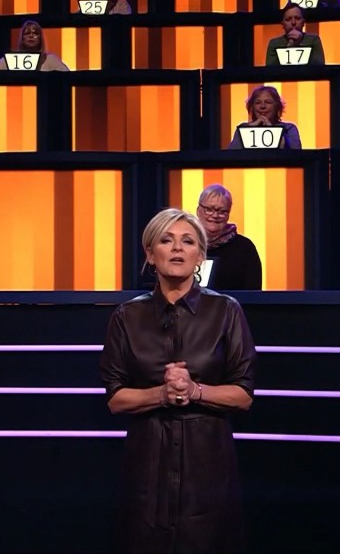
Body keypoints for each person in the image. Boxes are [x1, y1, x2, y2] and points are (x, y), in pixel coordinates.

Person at [99, 207, 256, 553]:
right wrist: (162, 394)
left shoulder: (226, 311)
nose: (177, 249)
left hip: (208, 466)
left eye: (187, 242)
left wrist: (195, 391)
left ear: (200, 255)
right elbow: (115, 398)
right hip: (147, 467)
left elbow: (243, 395)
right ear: (150, 253)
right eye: (166, 240)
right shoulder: (127, 316)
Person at [196, 185, 263, 290]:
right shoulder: (186, 244)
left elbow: (253, 293)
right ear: (198, 211)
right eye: (209, 209)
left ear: (228, 214)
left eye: (222, 211)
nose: (215, 215)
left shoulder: (245, 248)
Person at [227, 86, 302, 149]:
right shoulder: (243, 128)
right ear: (252, 107)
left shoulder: (289, 129)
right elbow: (231, 155)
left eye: (268, 102)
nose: (262, 106)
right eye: (258, 103)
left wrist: (271, 129)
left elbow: (295, 155)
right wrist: (248, 129)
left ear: (277, 107)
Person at [0, 20, 70, 72]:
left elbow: (67, 75)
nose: (31, 36)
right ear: (22, 38)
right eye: (27, 33)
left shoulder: (50, 59)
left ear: (40, 38)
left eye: (35, 33)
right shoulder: (13, 59)